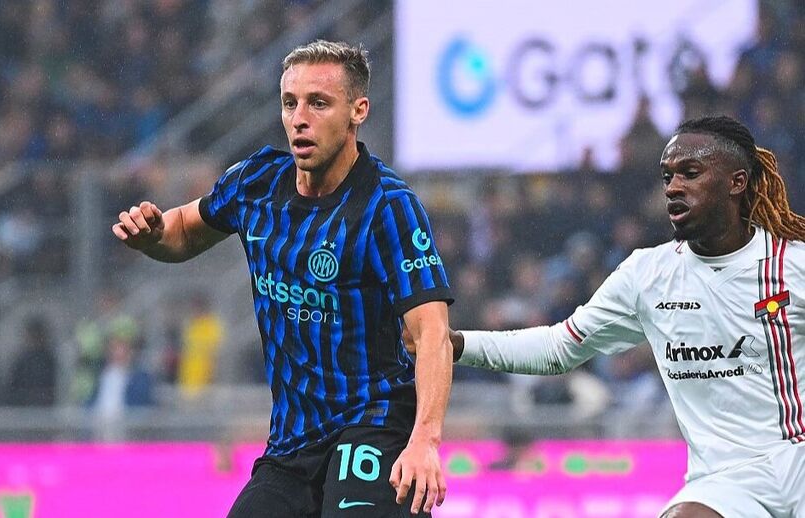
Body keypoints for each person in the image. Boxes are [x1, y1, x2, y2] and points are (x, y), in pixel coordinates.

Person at [113, 40, 454, 516]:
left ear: (358, 111)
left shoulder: (388, 206)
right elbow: (184, 230)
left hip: (374, 424)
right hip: (292, 442)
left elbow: (432, 331)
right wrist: (153, 235)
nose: (299, 118)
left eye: (319, 103)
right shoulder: (255, 183)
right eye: (290, 103)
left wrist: (425, 441)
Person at [406, 116, 805, 517]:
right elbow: (558, 348)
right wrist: (457, 344)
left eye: (690, 173)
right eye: (667, 177)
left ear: (737, 182)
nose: (673, 187)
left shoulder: (794, 267)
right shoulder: (648, 276)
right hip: (725, 485)